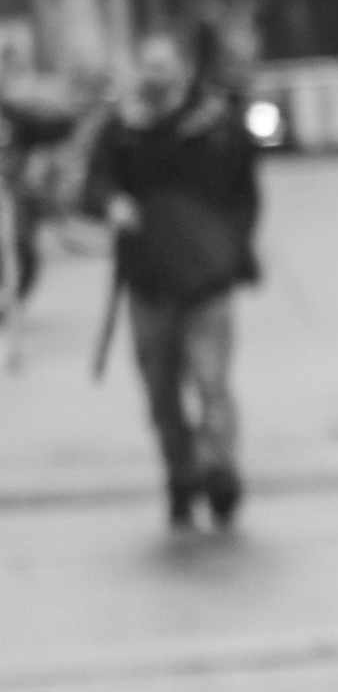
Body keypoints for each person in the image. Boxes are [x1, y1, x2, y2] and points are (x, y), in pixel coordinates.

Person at [85, 29, 266, 531]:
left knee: (212, 384)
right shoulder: (121, 130)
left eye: (165, 65)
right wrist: (110, 203)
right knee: (162, 393)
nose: (156, 75)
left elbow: (246, 193)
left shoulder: (216, 126)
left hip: (208, 282)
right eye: (149, 65)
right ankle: (181, 478)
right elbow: (92, 184)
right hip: (148, 285)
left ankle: (220, 471)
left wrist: (234, 248)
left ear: (184, 69)